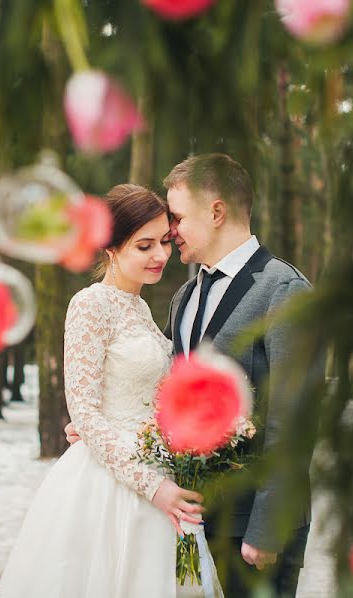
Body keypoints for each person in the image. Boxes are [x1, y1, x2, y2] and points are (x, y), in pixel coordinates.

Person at [67, 154, 313, 596]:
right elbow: (166, 390)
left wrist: (267, 527)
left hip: (253, 529)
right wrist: (98, 418)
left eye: (176, 219)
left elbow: (293, 421)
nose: (170, 234)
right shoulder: (183, 296)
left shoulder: (282, 289)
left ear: (216, 212)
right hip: (190, 519)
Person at [0, 184, 204, 598]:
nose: (160, 255)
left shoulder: (141, 308)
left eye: (164, 241)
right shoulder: (90, 306)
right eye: (144, 245)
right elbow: (86, 413)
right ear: (110, 248)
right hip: (112, 486)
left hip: (160, 470)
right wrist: (152, 487)